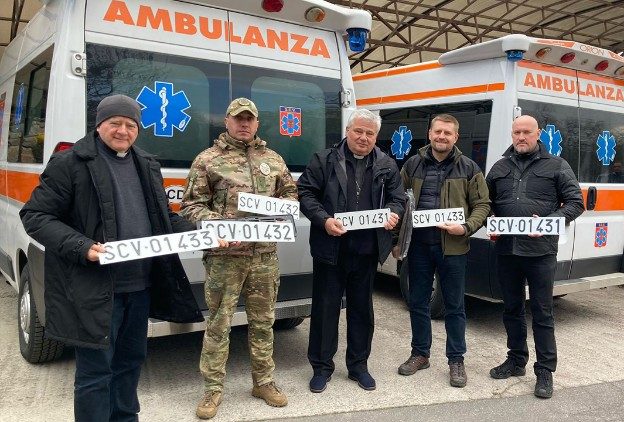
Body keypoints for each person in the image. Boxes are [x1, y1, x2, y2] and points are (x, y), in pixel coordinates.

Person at [20, 94, 204, 421]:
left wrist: (203, 233)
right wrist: (81, 246)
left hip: (140, 288)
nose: (123, 131)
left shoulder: (146, 164)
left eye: (130, 125)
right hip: (94, 289)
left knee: (130, 363)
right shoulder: (70, 163)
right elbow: (35, 216)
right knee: (95, 373)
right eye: (115, 123)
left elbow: (163, 218)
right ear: (99, 124)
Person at [180, 98, 298, 418]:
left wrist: (283, 210)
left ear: (257, 123)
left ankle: (264, 382)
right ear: (227, 121)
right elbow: (191, 206)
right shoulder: (208, 160)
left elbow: (290, 195)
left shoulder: (273, 159)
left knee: (263, 323)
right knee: (219, 324)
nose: (244, 124)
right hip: (224, 257)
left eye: (249, 119)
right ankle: (212, 389)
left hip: (264, 256)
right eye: (238, 118)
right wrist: (217, 223)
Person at [298, 109, 406, 393]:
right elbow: (305, 194)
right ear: (347, 131)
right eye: (359, 131)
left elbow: (398, 198)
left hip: (367, 250)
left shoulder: (386, 164)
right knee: (325, 309)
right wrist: (324, 220)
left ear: (376, 136)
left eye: (370, 133)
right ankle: (322, 367)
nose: (363, 137)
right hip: (331, 248)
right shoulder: (324, 159)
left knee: (361, 311)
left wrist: (393, 213)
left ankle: (358, 366)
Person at [484, 115, 584, 399]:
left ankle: (545, 371)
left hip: (540, 253)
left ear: (538, 133)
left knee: (542, 312)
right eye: (516, 132)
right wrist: (490, 219)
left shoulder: (557, 165)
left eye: (526, 132)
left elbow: (576, 202)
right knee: (512, 309)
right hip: (507, 250)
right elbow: (485, 202)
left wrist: (550, 221)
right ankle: (516, 361)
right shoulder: (499, 167)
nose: (521, 137)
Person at [393, 114, 490, 387]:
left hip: (453, 248)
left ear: (456, 137)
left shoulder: (469, 168)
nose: (442, 137)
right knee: (418, 301)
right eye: (438, 131)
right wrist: (396, 240)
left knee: (454, 306)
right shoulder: (412, 164)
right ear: (430, 133)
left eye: (448, 133)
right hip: (418, 247)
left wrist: (466, 227)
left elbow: (483, 204)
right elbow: (398, 202)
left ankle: (456, 360)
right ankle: (420, 354)